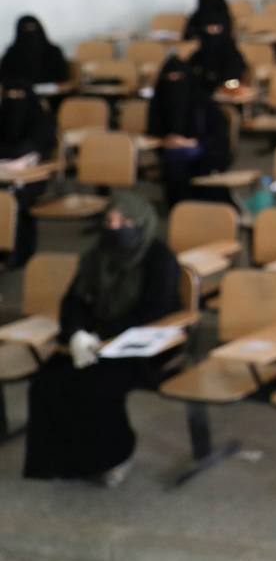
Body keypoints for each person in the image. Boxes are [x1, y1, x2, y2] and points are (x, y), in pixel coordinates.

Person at [23, 192, 181, 487]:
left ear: (142, 223)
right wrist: (76, 333)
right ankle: (61, 460)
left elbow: (154, 309)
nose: (115, 227)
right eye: (110, 220)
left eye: (124, 221)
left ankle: (115, 457)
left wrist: (101, 335)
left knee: (97, 388)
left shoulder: (159, 257)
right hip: (95, 338)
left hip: (142, 343)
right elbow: (74, 300)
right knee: (47, 383)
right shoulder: (96, 255)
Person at [146, 53, 233, 206]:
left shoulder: (202, 101)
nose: (174, 83)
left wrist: (191, 142)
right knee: (174, 166)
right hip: (172, 153)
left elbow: (219, 134)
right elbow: (154, 130)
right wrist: (166, 141)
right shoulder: (159, 102)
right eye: (170, 78)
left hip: (204, 152)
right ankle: (180, 210)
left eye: (178, 77)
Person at [0, 85, 57, 267]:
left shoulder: (41, 122)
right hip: (4, 173)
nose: (14, 99)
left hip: (31, 177)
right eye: (9, 95)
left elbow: (39, 152)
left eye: (19, 94)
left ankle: (18, 254)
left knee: (14, 200)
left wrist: (19, 164)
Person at [0, 16, 69, 89]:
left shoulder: (53, 51)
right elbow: (5, 77)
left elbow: (62, 76)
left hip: (51, 93)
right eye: (26, 28)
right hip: (20, 94)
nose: (30, 30)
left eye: (32, 27)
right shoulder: (12, 53)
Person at [188, 14, 246, 91]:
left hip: (226, 90)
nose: (214, 32)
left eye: (217, 29)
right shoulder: (200, 53)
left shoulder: (232, 53)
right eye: (210, 29)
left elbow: (235, 73)